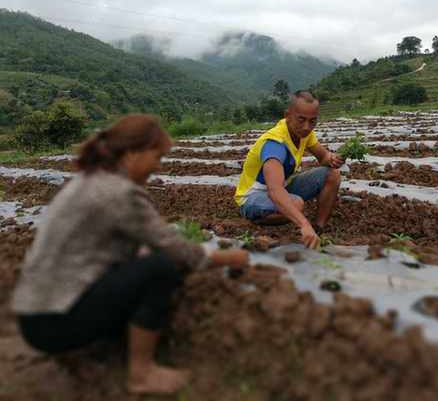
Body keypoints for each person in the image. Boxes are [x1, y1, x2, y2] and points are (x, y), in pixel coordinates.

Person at [11, 114, 249, 395]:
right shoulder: (119, 193)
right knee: (161, 268)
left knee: (144, 260)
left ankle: (110, 346)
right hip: (53, 323)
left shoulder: (90, 180)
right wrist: (228, 258)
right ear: (133, 153)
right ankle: (142, 374)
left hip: (35, 315)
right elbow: (175, 249)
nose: (158, 166)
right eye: (157, 157)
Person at [235, 91, 344, 249]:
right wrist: (303, 224)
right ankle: (257, 218)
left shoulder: (305, 133)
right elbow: (274, 190)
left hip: (284, 186)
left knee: (332, 174)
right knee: (296, 204)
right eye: (301, 119)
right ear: (288, 115)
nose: (306, 127)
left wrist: (333, 158)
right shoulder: (275, 144)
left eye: (312, 121)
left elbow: (323, 157)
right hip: (253, 197)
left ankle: (319, 228)